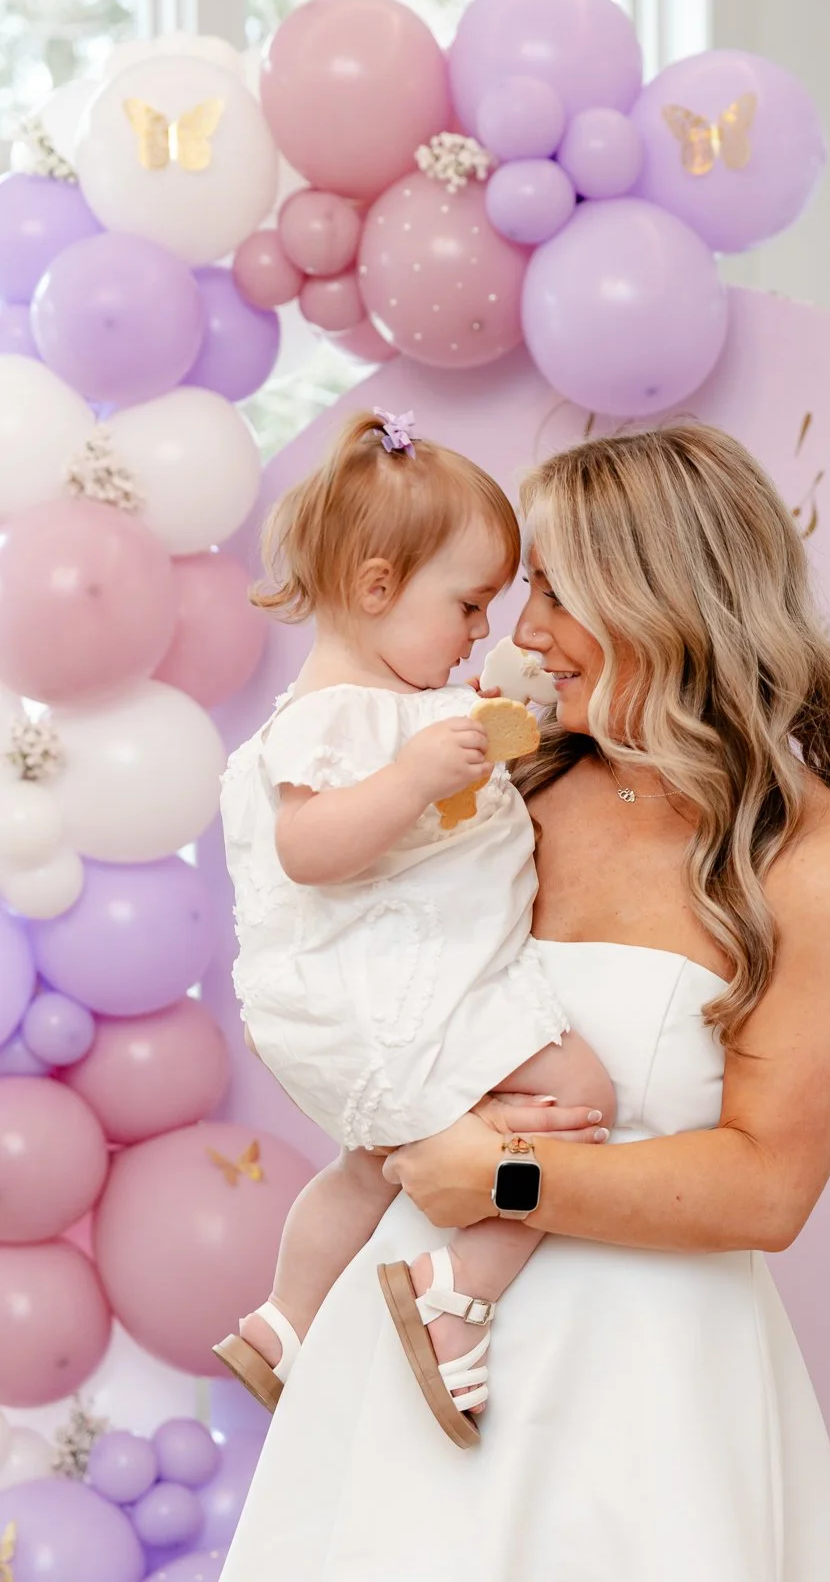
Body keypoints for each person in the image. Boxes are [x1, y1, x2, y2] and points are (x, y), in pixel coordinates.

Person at [220, 422, 830, 1582]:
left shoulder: (812, 860)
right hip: (407, 1375)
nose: (521, 631)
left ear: (662, 599)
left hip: (648, 1397)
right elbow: (349, 971)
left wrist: (499, 1177)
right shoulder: (500, 793)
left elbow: (769, 1183)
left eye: (552, 590)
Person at [214, 408, 615, 1447]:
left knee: (364, 1166)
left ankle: (284, 1321)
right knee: (579, 1093)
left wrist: (464, 758)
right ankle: (456, 1290)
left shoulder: (410, 711)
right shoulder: (333, 722)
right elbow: (307, 848)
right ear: (379, 587)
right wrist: (408, 778)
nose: (485, 631)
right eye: (469, 604)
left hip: (403, 989)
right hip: (397, 993)